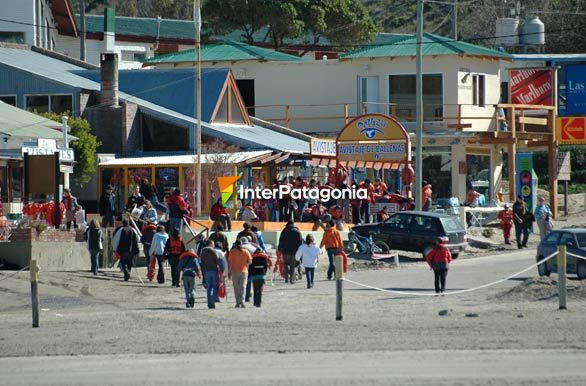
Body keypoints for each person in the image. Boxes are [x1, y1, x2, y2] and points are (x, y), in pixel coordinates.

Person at [228, 239, 252, 308]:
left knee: (236, 287)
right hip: (244, 271)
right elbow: (250, 262)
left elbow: (230, 263)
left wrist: (229, 272)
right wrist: (246, 264)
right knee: (243, 287)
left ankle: (237, 302)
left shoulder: (232, 252)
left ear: (235, 245)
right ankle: (242, 301)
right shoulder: (246, 251)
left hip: (234, 271)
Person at [200, 239, 223, 309]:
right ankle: (212, 299)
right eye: (212, 244)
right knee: (215, 286)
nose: (213, 245)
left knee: (208, 287)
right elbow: (218, 260)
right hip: (213, 270)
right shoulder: (213, 251)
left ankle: (209, 301)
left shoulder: (202, 251)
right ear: (210, 244)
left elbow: (201, 261)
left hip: (206, 271)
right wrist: (221, 269)